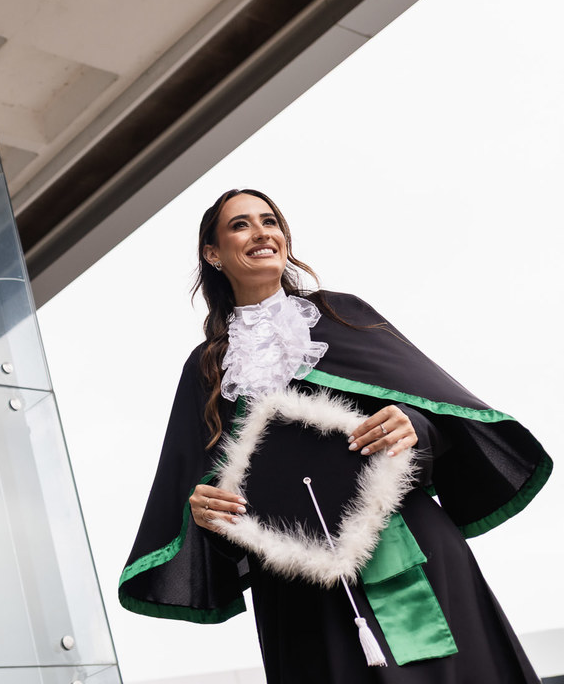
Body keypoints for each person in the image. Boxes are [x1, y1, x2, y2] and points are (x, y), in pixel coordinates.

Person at [118, 188, 552, 682]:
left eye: (270, 221)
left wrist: (414, 426)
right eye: (240, 225)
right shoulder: (206, 370)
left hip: (404, 543)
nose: (261, 232)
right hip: (295, 585)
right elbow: (213, 500)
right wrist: (207, 515)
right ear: (212, 254)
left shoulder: (344, 315)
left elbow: (438, 416)